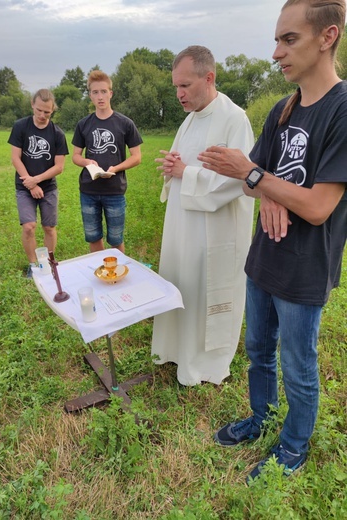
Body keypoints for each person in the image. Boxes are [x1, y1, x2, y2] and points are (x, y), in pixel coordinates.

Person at [198, 0, 347, 482]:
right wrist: (266, 190)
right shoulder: (284, 110)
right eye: (276, 40)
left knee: (297, 363)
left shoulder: (341, 111)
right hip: (264, 255)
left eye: (289, 40)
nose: (276, 53)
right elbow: (251, 182)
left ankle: (294, 446)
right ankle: (260, 418)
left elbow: (320, 204)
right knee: (258, 349)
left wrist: (258, 177)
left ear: (328, 36)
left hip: (304, 265)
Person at [151, 46, 255, 386]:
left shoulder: (233, 119)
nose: (179, 94)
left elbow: (237, 180)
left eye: (185, 86)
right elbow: (182, 165)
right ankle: (177, 350)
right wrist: (172, 168)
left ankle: (204, 364)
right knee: (183, 281)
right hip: (183, 225)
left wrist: (185, 172)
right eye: (175, 87)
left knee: (204, 288)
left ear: (208, 78)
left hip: (215, 230)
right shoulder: (190, 119)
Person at [72, 70, 143, 253]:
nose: (100, 96)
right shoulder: (84, 124)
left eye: (104, 91)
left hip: (114, 190)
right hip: (88, 190)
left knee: (116, 239)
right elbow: (76, 156)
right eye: (95, 92)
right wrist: (88, 162)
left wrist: (116, 168)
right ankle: (100, 273)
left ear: (111, 93)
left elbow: (137, 157)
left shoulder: (125, 123)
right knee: (93, 236)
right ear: (90, 95)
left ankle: (118, 276)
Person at [8, 89, 69, 278]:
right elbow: (15, 158)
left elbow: (59, 167)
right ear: (32, 105)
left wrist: (38, 181)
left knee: (49, 227)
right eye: (39, 110)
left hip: (48, 187)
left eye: (47, 112)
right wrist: (31, 184)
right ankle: (33, 265)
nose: (42, 115)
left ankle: (50, 263)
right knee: (29, 226)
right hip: (25, 186)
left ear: (52, 111)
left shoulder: (57, 134)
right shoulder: (20, 126)